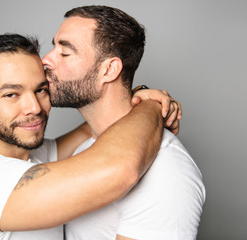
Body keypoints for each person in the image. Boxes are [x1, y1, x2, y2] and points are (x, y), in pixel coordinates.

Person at [0, 33, 180, 240]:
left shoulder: (33, 155)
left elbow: (96, 126)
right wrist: (150, 106)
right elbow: (119, 169)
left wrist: (137, 93)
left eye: (40, 90)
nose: (34, 107)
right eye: (12, 95)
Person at [42, 5, 206, 240]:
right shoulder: (84, 149)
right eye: (53, 47)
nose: (46, 59)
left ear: (109, 70)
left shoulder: (167, 171)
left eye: (65, 52)